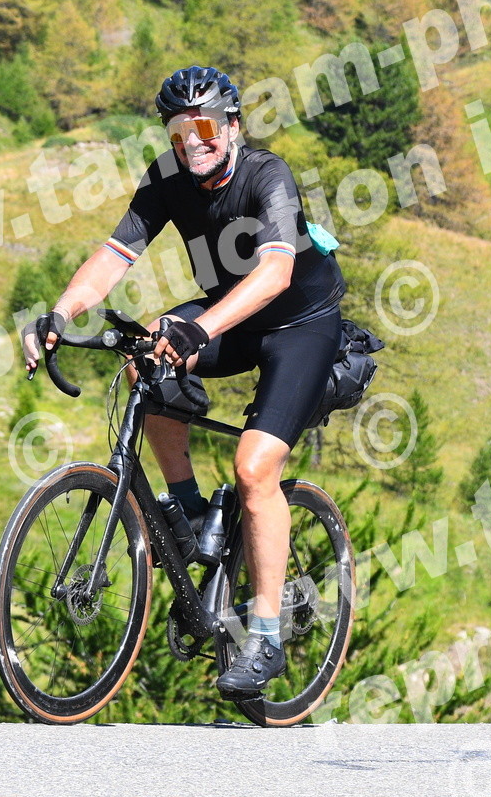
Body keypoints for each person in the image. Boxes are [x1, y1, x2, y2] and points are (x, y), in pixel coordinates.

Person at [21, 65, 346, 696]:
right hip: (230, 316)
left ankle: (266, 636)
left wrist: (199, 329)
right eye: (177, 132)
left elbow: (275, 274)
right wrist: (61, 313)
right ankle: (190, 511)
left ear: (232, 125)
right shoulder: (167, 179)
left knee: (254, 469)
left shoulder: (267, 175)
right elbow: (113, 256)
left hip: (300, 325)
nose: (191, 142)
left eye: (203, 127)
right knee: (145, 355)